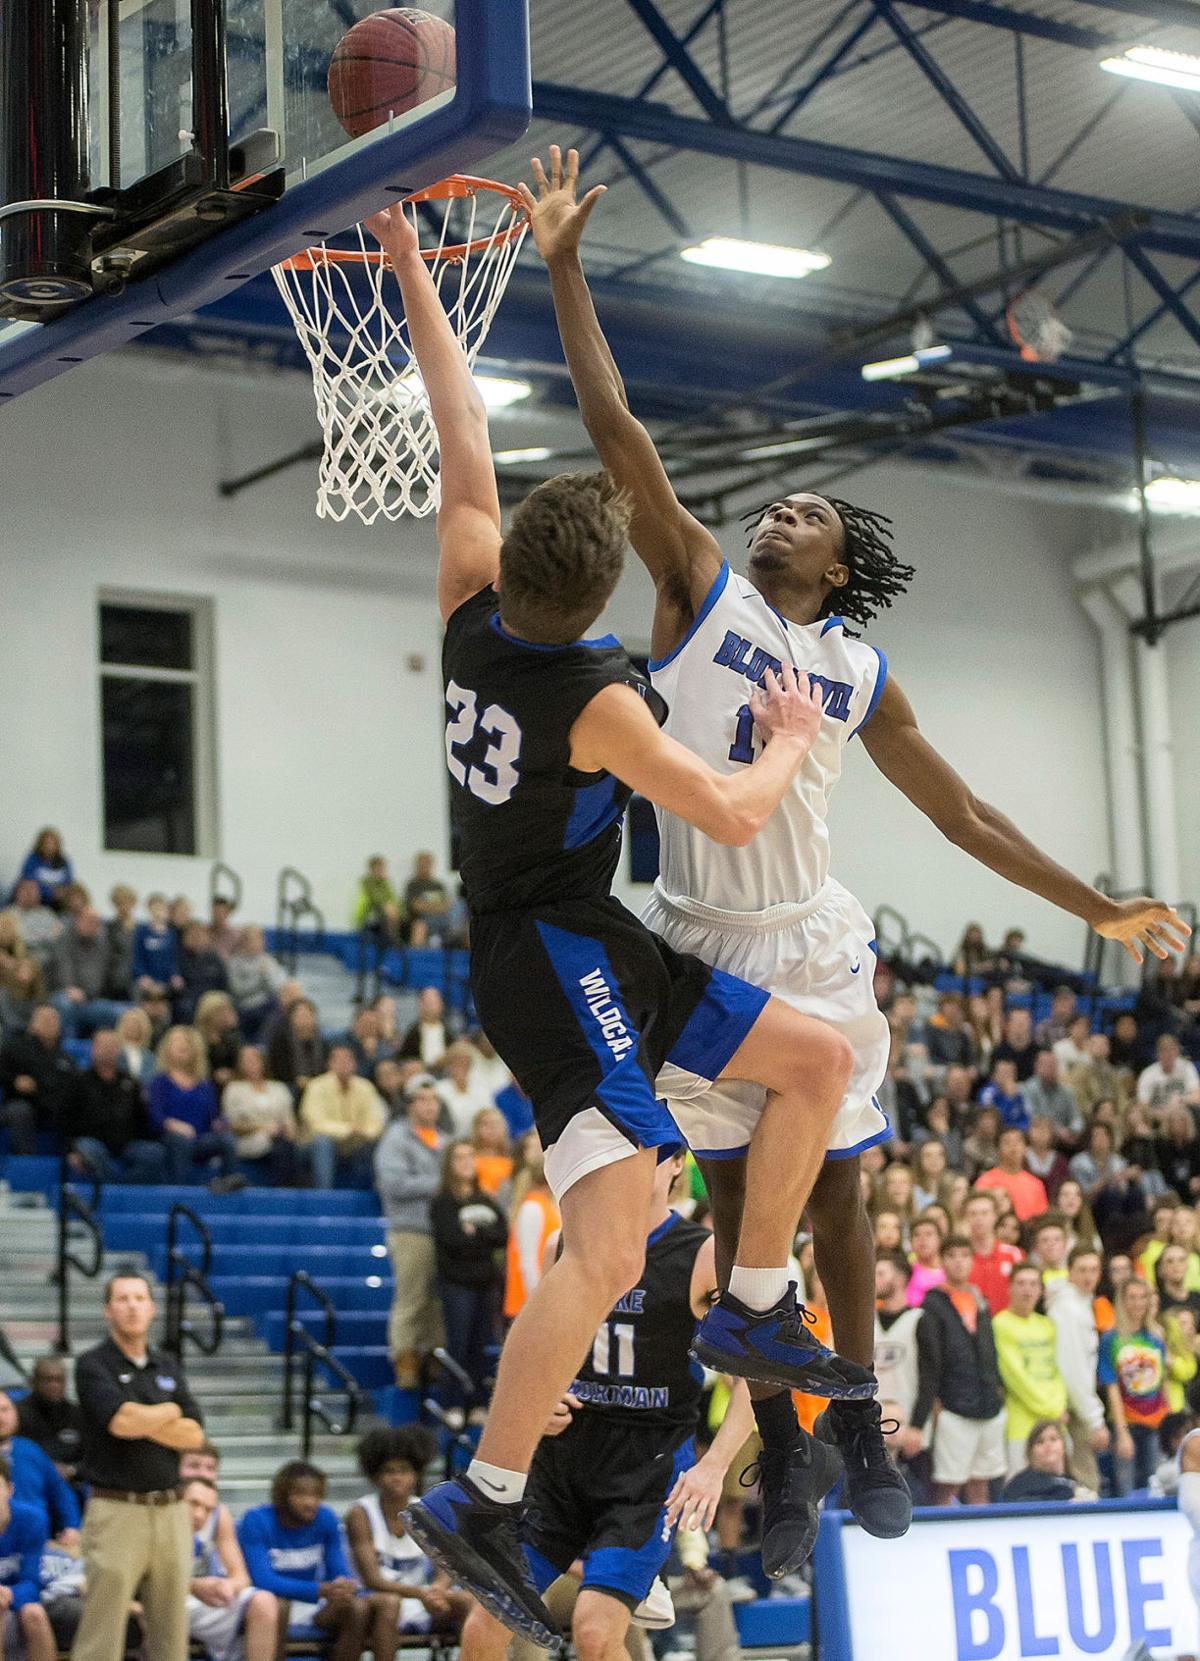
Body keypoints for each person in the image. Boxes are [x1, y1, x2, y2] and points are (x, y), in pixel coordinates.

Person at [525, 139, 1187, 1561]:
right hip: (697, 932)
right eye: (776, 504)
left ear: (839, 567)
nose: (782, 511)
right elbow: (616, 426)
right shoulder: (698, 589)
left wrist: (1096, 905)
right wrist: (566, 268)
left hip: (812, 940)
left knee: (839, 1193)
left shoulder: (859, 670)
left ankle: (863, 1433)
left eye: (809, 514)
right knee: (731, 1218)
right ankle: (785, 1450)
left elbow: (965, 815)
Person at [366, 190, 868, 1643]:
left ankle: (754, 1297)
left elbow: (461, 425)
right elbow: (730, 810)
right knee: (612, 1233)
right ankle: (486, 1493)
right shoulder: (596, 700)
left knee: (817, 1060)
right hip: (547, 957)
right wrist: (788, 735)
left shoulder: (470, 595)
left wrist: (408, 265)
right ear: (596, 595)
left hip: (598, 940)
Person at [458, 1151, 767, 1661]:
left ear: (675, 1166)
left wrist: (714, 1466)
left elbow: (757, 1374)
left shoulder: (703, 1254)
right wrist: (542, 1396)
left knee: (596, 1635)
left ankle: (643, 1580)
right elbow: (540, 1348)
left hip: (645, 1470)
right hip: (562, 1463)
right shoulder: (566, 1244)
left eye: (649, 1156)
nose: (632, 1166)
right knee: (481, 1627)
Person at [70, 1272, 204, 1661]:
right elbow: (120, 1422)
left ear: (152, 1308)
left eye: (140, 1298)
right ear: (107, 1310)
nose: (132, 1306)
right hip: (117, 1509)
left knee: (172, 1633)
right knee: (103, 1631)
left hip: (171, 1510)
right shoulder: (93, 1364)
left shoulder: (167, 1363)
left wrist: (144, 1419)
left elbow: (194, 1435)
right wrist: (169, 1410)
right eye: (123, 1299)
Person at [237, 1461, 394, 1661]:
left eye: (316, 1495)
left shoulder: (325, 1518)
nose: (310, 1502)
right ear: (282, 1496)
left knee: (357, 1607)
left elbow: (338, 1569)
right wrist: (320, 1590)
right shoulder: (256, 1520)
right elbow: (263, 1581)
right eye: (301, 1495)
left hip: (312, 1605)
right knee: (279, 1605)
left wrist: (343, 1585)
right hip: (266, 1605)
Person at [345, 1427, 469, 1643]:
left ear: (416, 1474)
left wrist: (438, 1588)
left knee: (468, 1600)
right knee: (390, 1605)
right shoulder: (361, 1513)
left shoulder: (425, 1511)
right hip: (374, 1599)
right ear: (375, 1476)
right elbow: (372, 1580)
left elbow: (445, 1564)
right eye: (389, 1471)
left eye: (404, 1470)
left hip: (419, 1597)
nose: (397, 1478)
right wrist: (421, 1593)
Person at [912, 1236, 1006, 1506]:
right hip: (954, 1407)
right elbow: (930, 1362)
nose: (959, 1262)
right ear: (943, 1261)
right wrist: (933, 1404)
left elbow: (990, 1350)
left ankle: (983, 1527)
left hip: (988, 1403)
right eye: (952, 1255)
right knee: (949, 1483)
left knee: (981, 1482)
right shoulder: (933, 1304)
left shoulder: (980, 1300)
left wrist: (997, 1388)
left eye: (965, 1255)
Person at [375, 1078, 446, 1389]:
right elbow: (393, 1183)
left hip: (441, 1230)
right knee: (411, 1298)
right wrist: (440, 1185)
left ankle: (433, 1358)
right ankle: (404, 1360)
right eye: (422, 1099)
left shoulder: (445, 1139)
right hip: (410, 1229)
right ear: (410, 1105)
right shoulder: (396, 1138)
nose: (429, 1105)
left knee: (436, 1301)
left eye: (434, 1099)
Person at [431, 1141, 508, 1417]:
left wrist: (475, 1233)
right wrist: (478, 1238)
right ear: (449, 1165)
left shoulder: (485, 1199)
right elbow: (451, 1240)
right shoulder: (442, 1202)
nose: (466, 1163)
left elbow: (501, 1235)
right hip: (456, 1284)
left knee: (480, 1345)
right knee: (458, 1343)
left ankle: (477, 1403)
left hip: (484, 1283)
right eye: (459, 1158)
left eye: (470, 1157)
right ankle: (451, 1403)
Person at [185, 1476, 278, 1661]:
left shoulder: (218, 1518)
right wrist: (193, 1586)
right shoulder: (154, 1519)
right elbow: (146, 1584)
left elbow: (241, 1577)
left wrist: (226, 1586)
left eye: (208, 1509)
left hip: (204, 1598)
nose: (199, 1515)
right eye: (193, 1504)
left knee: (264, 1601)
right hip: (167, 1600)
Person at [992, 1263, 1068, 1477]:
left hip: (1055, 1422)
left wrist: (1060, 1405)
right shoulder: (1000, 1323)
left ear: (1041, 1290)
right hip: (1021, 1427)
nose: (1027, 1290)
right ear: (1009, 1288)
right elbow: (1015, 1376)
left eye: (1034, 1284)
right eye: (1021, 1284)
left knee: (1058, 1485)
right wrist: (1052, 1410)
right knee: (1022, 1487)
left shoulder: (1047, 1325)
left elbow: (1056, 1370)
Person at [62, 1030, 166, 1185]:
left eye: (112, 1045)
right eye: (103, 1045)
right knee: (89, 1150)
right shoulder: (78, 1081)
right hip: (91, 1141)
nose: (107, 1049)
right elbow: (64, 1120)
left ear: (118, 1050)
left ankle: (124, 1189)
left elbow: (142, 1120)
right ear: (93, 1049)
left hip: (125, 1144)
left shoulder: (130, 1082)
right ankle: (112, 1188)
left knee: (154, 1153)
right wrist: (70, 1150)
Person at [147, 1024, 241, 1187]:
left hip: (200, 1138)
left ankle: (228, 1186)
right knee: (180, 1141)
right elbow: (156, 1116)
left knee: (227, 1140)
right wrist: (174, 1125)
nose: (182, 1045)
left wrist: (221, 1124)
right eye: (177, 1042)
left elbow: (213, 1117)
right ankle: (179, 1190)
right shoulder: (160, 1082)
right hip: (170, 1138)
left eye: (186, 1042)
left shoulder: (204, 1084)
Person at [1048, 1246, 1109, 1492]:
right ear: (1069, 1271)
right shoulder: (1069, 1309)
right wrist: (1094, 1419)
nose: (1088, 1276)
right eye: (1082, 1270)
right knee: (1087, 1484)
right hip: (1074, 1408)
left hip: (1076, 1404)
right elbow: (1072, 1369)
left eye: (1094, 1269)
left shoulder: (1082, 1303)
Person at [1100, 1276, 1169, 1494]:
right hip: (1126, 1422)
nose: (1138, 1303)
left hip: (1156, 1423)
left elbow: (1162, 1381)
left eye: (1142, 1297)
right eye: (1131, 1297)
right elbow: (1111, 1387)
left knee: (1155, 1486)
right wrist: (1122, 1433)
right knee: (1126, 1488)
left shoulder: (1156, 1337)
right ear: (1122, 1301)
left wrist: (1168, 1419)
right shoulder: (1111, 1339)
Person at [873, 1254, 928, 1502]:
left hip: (908, 1422)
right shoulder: (866, 1319)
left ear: (901, 1278)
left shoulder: (920, 1319)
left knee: (915, 1495)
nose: (875, 1279)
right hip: (873, 1420)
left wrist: (917, 1425)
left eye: (881, 1273)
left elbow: (930, 1377)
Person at [300, 1043, 386, 1190]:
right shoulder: (316, 1086)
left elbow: (376, 1121)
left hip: (354, 1143)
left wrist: (365, 1132)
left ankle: (361, 1196)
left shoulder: (366, 1087)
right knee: (322, 1142)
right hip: (316, 1146)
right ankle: (325, 1195)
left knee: (373, 1143)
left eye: (348, 1059)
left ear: (355, 1064)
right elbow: (315, 1124)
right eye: (339, 1060)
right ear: (330, 1064)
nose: (344, 1064)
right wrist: (348, 1129)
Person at [0, 1394, 79, 1547]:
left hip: (36, 1540)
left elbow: (59, 1491)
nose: (1, 1417)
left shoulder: (31, 1450)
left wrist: (71, 1526)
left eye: (5, 1410)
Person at [0, 1455, 55, 1661]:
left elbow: (32, 1583)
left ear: (10, 1489)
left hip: (14, 1599)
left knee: (35, 1613)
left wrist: (9, 1594)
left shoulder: (32, 1519)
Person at [0, 1004, 75, 1155]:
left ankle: (68, 1159)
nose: (49, 1023)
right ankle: (26, 1159)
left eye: (53, 1019)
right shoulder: (15, 1048)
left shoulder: (66, 1058)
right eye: (44, 1019)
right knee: (20, 1110)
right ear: (32, 1024)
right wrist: (14, 1080)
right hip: (24, 1103)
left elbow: (74, 1087)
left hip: (53, 1106)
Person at [221, 1046, 300, 1185]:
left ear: (263, 1061)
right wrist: (263, 1128)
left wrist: (289, 1130)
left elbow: (289, 1120)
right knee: (281, 1148)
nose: (251, 1063)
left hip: (281, 1138)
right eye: (246, 1060)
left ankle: (286, 1191)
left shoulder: (279, 1088)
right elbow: (232, 1125)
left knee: (286, 1145)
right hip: (249, 1140)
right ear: (239, 1064)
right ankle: (282, 1192)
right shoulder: (234, 1089)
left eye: (255, 1059)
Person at [46, 908, 128, 1041]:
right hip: (64, 994)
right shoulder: (64, 940)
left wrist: (90, 994)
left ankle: (109, 1050)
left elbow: (101, 978)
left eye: (97, 922)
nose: (94, 925)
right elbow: (63, 967)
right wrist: (70, 988)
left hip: (91, 999)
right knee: (66, 1004)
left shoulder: (103, 945)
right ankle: (68, 1049)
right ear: (77, 921)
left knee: (123, 1012)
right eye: (90, 921)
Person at [503, 1133, 559, 1324]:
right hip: (526, 1302)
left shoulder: (547, 1206)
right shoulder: (531, 1208)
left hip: (543, 1298)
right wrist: (536, 1303)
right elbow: (527, 1262)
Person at [16, 1359, 86, 1490]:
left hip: (70, 1484)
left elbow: (93, 1460)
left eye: (59, 1380)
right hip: (28, 1484)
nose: (55, 1385)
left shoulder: (78, 1415)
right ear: (33, 1382)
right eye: (48, 1380)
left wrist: (72, 1470)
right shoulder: (17, 1414)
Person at [224, 927, 286, 1043]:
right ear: (243, 941)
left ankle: (263, 1045)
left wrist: (266, 974)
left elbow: (276, 988)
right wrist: (259, 977)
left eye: (258, 939)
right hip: (244, 1006)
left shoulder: (269, 961)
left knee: (278, 1006)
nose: (254, 943)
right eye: (250, 939)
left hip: (266, 1005)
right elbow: (237, 990)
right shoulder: (235, 962)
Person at [1001, 1421, 1085, 1503]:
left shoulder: (1076, 1480)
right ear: (1030, 1453)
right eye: (1040, 1442)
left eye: (1053, 1439)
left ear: (1064, 1446)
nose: (1048, 1445)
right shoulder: (1021, 1483)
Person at [976, 1127, 1049, 1222]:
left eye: (1018, 1141)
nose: (1013, 1146)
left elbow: (1042, 1219)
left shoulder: (1036, 1184)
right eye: (1007, 1142)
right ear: (997, 1149)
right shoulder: (985, 1181)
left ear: (1026, 1148)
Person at [266, 998, 327, 1101]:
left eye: (308, 1015)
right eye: (300, 1016)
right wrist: (298, 1080)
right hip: (290, 1084)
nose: (304, 1020)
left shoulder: (323, 1042)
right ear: (291, 1019)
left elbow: (326, 1068)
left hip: (317, 1085)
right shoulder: (280, 1041)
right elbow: (278, 1070)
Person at [1023, 1052, 1083, 1146]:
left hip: (1065, 1141)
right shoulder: (1027, 1089)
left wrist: (1071, 1130)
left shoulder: (1065, 1091)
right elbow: (1031, 1117)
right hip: (1039, 1139)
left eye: (1054, 1066)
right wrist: (1056, 1131)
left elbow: (1077, 1118)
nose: (1051, 1069)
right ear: (1037, 1068)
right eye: (1047, 1065)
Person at [174, 923, 228, 1023]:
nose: (196, 939)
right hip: (188, 998)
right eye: (192, 935)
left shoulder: (214, 959)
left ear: (207, 938)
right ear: (184, 939)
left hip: (212, 998)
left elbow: (224, 984)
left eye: (200, 935)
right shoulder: (177, 959)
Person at [437, 1042, 494, 1137]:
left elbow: (489, 1115)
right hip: (448, 1139)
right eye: (456, 1063)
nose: (461, 1067)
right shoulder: (440, 1089)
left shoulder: (481, 1089)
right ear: (448, 1066)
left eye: (466, 1063)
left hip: (477, 1139)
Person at [1138, 1034, 1200, 1120]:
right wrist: (1158, 1114)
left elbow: (1197, 1096)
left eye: (1171, 1050)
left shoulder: (1186, 1067)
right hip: (1157, 1117)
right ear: (1158, 1054)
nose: (1168, 1055)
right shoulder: (1148, 1074)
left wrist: (1180, 1099)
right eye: (1164, 1051)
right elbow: (1143, 1104)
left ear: (1177, 1052)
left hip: (1183, 1115)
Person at [131, 894, 180, 996]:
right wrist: (141, 975)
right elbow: (137, 957)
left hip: (165, 981)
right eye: (155, 908)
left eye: (161, 909)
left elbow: (173, 959)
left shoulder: (171, 934)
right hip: (146, 980)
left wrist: (174, 975)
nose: (158, 912)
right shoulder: (141, 931)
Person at [15, 830, 73, 911]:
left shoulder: (64, 862)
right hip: (37, 901)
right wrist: (51, 892)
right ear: (40, 844)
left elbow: (69, 883)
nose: (49, 846)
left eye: (52, 843)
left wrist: (61, 892)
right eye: (46, 843)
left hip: (58, 903)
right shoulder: (32, 859)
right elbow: (28, 883)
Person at [194, 991, 241, 1090]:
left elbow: (240, 1060)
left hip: (232, 1085)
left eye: (227, 1011)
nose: (225, 1016)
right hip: (205, 1084)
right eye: (220, 1012)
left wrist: (234, 1027)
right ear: (207, 1014)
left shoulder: (232, 1036)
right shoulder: (197, 1038)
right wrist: (214, 1075)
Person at [399, 988, 454, 1069]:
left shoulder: (449, 1032)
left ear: (441, 1005)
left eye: (434, 1003)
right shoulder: (413, 1032)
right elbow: (404, 1058)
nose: (431, 1007)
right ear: (420, 1005)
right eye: (428, 1003)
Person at [405, 853, 451, 948]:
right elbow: (416, 906)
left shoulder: (438, 885)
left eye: (426, 864)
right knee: (419, 926)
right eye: (421, 865)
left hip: (441, 920)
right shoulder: (413, 885)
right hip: (421, 920)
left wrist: (426, 906)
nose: (423, 867)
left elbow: (445, 906)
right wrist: (436, 907)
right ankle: (416, 955)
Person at [353, 857, 403, 941]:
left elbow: (393, 899)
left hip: (384, 912)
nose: (380, 871)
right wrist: (387, 905)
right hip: (369, 912)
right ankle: (391, 940)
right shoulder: (366, 883)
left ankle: (393, 940)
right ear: (371, 870)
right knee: (389, 910)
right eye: (377, 869)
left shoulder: (385, 884)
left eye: (381, 868)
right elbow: (376, 899)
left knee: (393, 911)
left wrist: (385, 885)